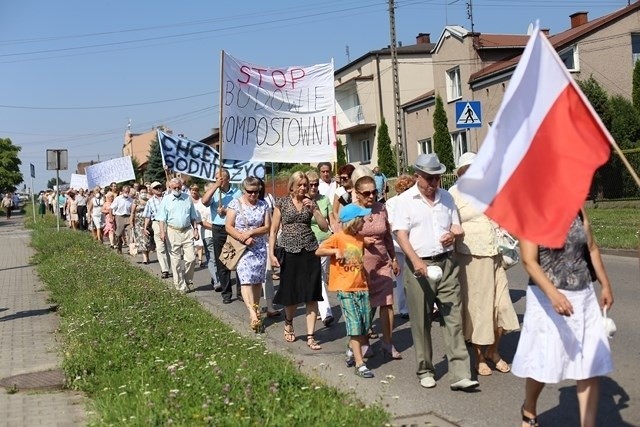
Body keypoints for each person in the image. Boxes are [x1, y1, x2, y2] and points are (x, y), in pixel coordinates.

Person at [512, 209, 614, 427]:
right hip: (547, 299)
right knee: (544, 361)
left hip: (583, 295)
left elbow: (592, 248)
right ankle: (529, 407)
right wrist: (553, 294)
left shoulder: (578, 210)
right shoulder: (532, 215)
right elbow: (529, 261)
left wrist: (605, 284)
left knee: (589, 364)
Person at [392, 153, 479, 391]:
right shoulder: (404, 200)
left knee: (453, 318)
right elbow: (401, 234)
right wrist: (416, 261)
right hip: (419, 266)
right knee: (421, 321)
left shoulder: (447, 198)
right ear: (417, 176)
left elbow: (456, 225)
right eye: (429, 179)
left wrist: (454, 233)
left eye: (437, 179)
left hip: (447, 263)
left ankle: (460, 373)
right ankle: (425, 369)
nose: (433, 184)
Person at [449, 152, 520, 376]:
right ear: (460, 173)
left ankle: (493, 350)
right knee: (479, 309)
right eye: (468, 169)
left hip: (495, 254)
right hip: (471, 257)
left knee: (503, 306)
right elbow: (446, 222)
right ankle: (479, 357)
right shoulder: (453, 194)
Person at [269, 171, 329, 350]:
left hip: (310, 250)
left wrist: (315, 210)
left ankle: (311, 335)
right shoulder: (282, 203)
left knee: (312, 293)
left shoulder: (311, 202)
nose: (304, 188)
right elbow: (273, 231)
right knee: (292, 293)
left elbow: (325, 227)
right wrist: (271, 254)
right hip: (288, 250)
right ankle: (288, 322)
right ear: (292, 186)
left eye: (306, 185)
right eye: (301, 185)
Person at [316, 204, 375, 378]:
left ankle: (351, 347)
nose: (364, 221)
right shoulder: (338, 237)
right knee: (355, 326)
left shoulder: (359, 238)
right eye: (361, 219)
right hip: (345, 288)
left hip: (361, 286)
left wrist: (367, 277)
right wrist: (335, 251)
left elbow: (360, 259)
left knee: (365, 325)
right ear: (354, 221)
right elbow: (318, 251)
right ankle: (360, 364)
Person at [353, 175, 400, 359]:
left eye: (374, 192)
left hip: (382, 263)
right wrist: (361, 241)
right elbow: (343, 238)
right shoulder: (352, 211)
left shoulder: (381, 208)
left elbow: (387, 236)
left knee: (387, 303)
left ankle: (387, 343)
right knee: (366, 305)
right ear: (357, 194)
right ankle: (363, 341)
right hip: (361, 264)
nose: (371, 196)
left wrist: (394, 258)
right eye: (367, 193)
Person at [226, 176, 272, 332]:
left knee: (257, 280)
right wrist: (242, 237)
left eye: (256, 192)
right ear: (244, 190)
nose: (253, 195)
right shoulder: (235, 204)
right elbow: (229, 226)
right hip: (242, 247)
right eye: (250, 192)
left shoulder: (263, 205)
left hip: (258, 246)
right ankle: (253, 314)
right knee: (245, 278)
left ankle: (256, 307)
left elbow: (267, 227)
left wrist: (252, 232)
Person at [202, 169, 243, 304]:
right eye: (216, 178)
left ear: (227, 179)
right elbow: (204, 201)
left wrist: (226, 212)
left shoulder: (237, 192)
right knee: (222, 261)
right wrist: (215, 186)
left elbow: (242, 211)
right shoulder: (214, 192)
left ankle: (241, 291)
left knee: (237, 259)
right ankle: (226, 293)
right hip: (218, 228)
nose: (218, 180)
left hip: (233, 227)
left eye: (220, 178)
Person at [157, 178, 200, 294]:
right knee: (176, 260)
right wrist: (162, 232)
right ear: (170, 188)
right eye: (174, 187)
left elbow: (193, 216)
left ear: (181, 186)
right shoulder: (166, 200)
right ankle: (180, 286)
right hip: (172, 231)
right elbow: (161, 218)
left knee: (191, 259)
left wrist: (195, 229)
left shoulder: (187, 198)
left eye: (178, 187)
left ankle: (188, 280)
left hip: (187, 231)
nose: (176, 189)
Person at [385, 174, 416, 319]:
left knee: (420, 275)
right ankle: (404, 308)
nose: (408, 190)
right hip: (398, 245)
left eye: (410, 187)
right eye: (405, 188)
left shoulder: (415, 201)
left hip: (416, 244)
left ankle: (426, 306)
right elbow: (392, 225)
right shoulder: (392, 203)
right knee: (401, 278)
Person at [306, 170, 335, 327]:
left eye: (316, 184)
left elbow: (333, 220)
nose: (314, 187)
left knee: (321, 276)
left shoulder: (324, 200)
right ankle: (326, 312)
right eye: (311, 184)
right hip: (308, 243)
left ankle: (319, 307)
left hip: (324, 242)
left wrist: (338, 237)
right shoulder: (301, 201)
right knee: (317, 277)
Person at [143, 181, 171, 279]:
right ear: (152, 190)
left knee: (170, 246)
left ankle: (171, 266)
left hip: (169, 223)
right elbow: (147, 216)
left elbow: (170, 184)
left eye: (159, 187)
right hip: (156, 223)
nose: (158, 189)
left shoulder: (168, 197)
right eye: (156, 188)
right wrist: (145, 227)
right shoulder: (150, 202)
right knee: (160, 247)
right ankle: (165, 270)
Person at [198, 182, 219, 289]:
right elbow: (201, 221)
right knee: (212, 258)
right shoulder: (200, 204)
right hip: (208, 234)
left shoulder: (219, 200)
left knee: (220, 258)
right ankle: (217, 281)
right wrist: (216, 227)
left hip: (220, 233)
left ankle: (215, 276)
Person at [130, 187, 151, 264]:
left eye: (145, 192)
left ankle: (147, 256)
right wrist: (131, 223)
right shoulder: (136, 201)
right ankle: (145, 258)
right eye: (142, 192)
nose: (144, 193)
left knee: (147, 241)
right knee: (141, 240)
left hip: (147, 223)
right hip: (138, 223)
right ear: (139, 192)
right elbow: (132, 212)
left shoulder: (149, 201)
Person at [332, 164, 356, 230]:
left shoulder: (357, 190)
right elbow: (335, 210)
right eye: (341, 178)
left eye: (344, 178)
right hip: (343, 225)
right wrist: (339, 221)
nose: (342, 180)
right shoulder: (339, 191)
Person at [110, 185, 133, 254]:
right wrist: (111, 218)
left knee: (130, 233)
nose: (127, 192)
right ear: (122, 191)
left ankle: (130, 249)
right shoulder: (118, 199)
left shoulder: (130, 199)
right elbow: (111, 208)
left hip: (128, 217)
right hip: (119, 217)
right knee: (118, 234)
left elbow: (132, 209)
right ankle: (119, 246)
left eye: (128, 191)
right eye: (125, 191)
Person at [189, 184, 206, 267]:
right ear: (190, 191)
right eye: (192, 190)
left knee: (200, 243)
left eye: (196, 190)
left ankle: (200, 260)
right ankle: (192, 260)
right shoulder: (188, 200)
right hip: (190, 224)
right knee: (192, 243)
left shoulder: (201, 200)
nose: (194, 192)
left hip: (200, 223)